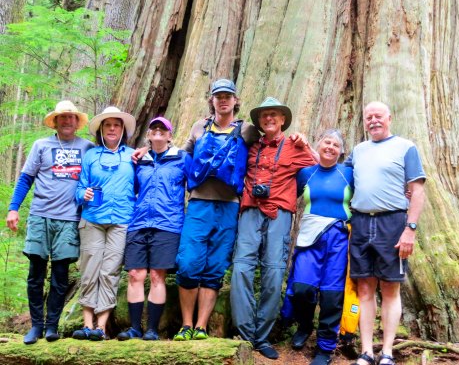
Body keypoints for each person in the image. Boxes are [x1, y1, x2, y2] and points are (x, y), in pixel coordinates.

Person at [172, 79, 260, 341]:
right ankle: (185, 324)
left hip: (229, 206)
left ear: (235, 100)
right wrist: (145, 153)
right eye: (218, 96)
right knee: (188, 264)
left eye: (228, 96)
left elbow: (269, 147)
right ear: (211, 100)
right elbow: (181, 154)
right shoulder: (200, 126)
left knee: (215, 266)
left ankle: (201, 325)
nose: (223, 100)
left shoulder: (247, 129)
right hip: (199, 203)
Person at [230, 97, 316, 360]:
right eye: (264, 115)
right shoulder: (250, 146)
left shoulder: (294, 146)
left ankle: (262, 336)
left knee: (274, 272)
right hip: (249, 209)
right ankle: (245, 334)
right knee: (242, 268)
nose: (269, 119)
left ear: (282, 121)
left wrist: (307, 143)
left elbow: (317, 166)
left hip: (280, 212)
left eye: (274, 115)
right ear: (259, 121)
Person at [6, 100, 94, 344]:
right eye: (62, 117)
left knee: (60, 275)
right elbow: (26, 179)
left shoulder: (87, 147)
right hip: (40, 216)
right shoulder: (41, 146)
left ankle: (52, 326)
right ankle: (36, 326)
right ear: (55, 121)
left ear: (77, 122)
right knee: (35, 273)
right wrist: (13, 208)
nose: (67, 121)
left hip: (68, 219)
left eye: (71, 117)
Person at [347, 101, 426, 365]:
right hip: (360, 223)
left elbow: (417, 190)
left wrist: (410, 229)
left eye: (378, 116)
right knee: (365, 288)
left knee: (391, 288)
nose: (373, 120)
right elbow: (337, 175)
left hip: (392, 223)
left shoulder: (405, 147)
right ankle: (367, 350)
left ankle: (388, 352)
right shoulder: (358, 150)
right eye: (368, 117)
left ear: (389, 118)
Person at [283, 129, 354, 365]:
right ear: (319, 144)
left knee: (332, 294)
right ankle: (304, 325)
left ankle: (325, 347)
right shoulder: (305, 174)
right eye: (327, 142)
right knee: (303, 287)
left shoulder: (348, 174)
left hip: (339, 238)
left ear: (341, 151)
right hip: (310, 238)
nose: (331, 147)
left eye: (336, 144)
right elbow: (286, 194)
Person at [117, 117, 191, 341]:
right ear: (148, 135)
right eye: (154, 129)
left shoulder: (182, 158)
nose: (158, 132)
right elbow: (133, 188)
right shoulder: (139, 161)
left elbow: (195, 184)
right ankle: (134, 328)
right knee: (135, 274)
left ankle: (151, 329)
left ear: (170, 135)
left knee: (158, 276)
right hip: (139, 223)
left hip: (168, 224)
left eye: (163, 129)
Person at [72, 106, 137, 341]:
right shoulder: (91, 156)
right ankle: (87, 324)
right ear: (101, 130)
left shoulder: (132, 156)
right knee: (90, 270)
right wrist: (84, 194)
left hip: (121, 220)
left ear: (122, 130)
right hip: (92, 220)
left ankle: (101, 327)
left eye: (116, 125)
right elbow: (79, 187)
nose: (112, 128)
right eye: (108, 125)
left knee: (110, 272)